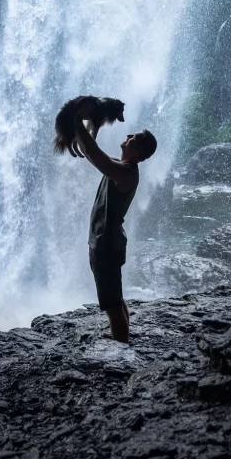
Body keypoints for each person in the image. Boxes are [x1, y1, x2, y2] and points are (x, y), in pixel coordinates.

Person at [74, 117, 157, 343]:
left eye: (134, 138)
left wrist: (75, 119)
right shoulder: (121, 169)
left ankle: (121, 354)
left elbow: (95, 155)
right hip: (106, 243)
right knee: (116, 299)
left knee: (112, 305)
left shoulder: (127, 173)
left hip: (106, 245)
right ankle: (124, 342)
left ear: (139, 152)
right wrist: (93, 126)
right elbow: (92, 154)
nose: (128, 136)